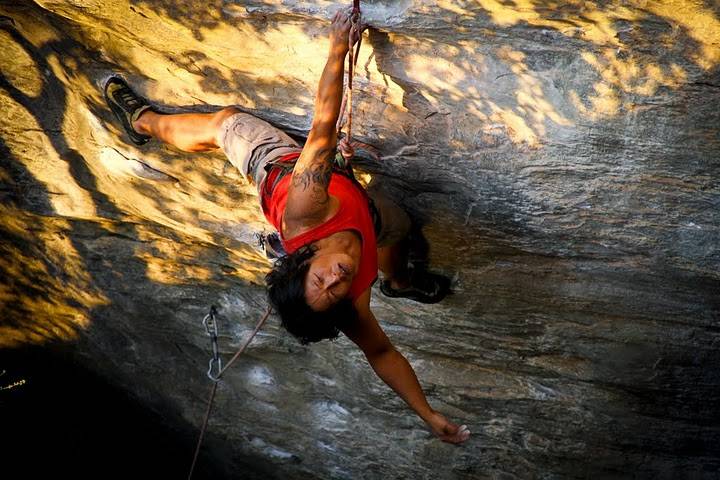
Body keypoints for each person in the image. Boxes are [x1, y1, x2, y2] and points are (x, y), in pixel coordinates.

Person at [104, 9, 469, 444]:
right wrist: (426, 413)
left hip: (276, 167)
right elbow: (380, 352)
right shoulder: (344, 304)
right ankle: (399, 281)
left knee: (225, 124)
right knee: (398, 227)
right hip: (365, 216)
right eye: (335, 291)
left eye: (321, 279)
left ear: (304, 260)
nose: (338, 278)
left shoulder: (307, 208)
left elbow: (323, 127)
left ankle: (144, 121)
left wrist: (339, 45)